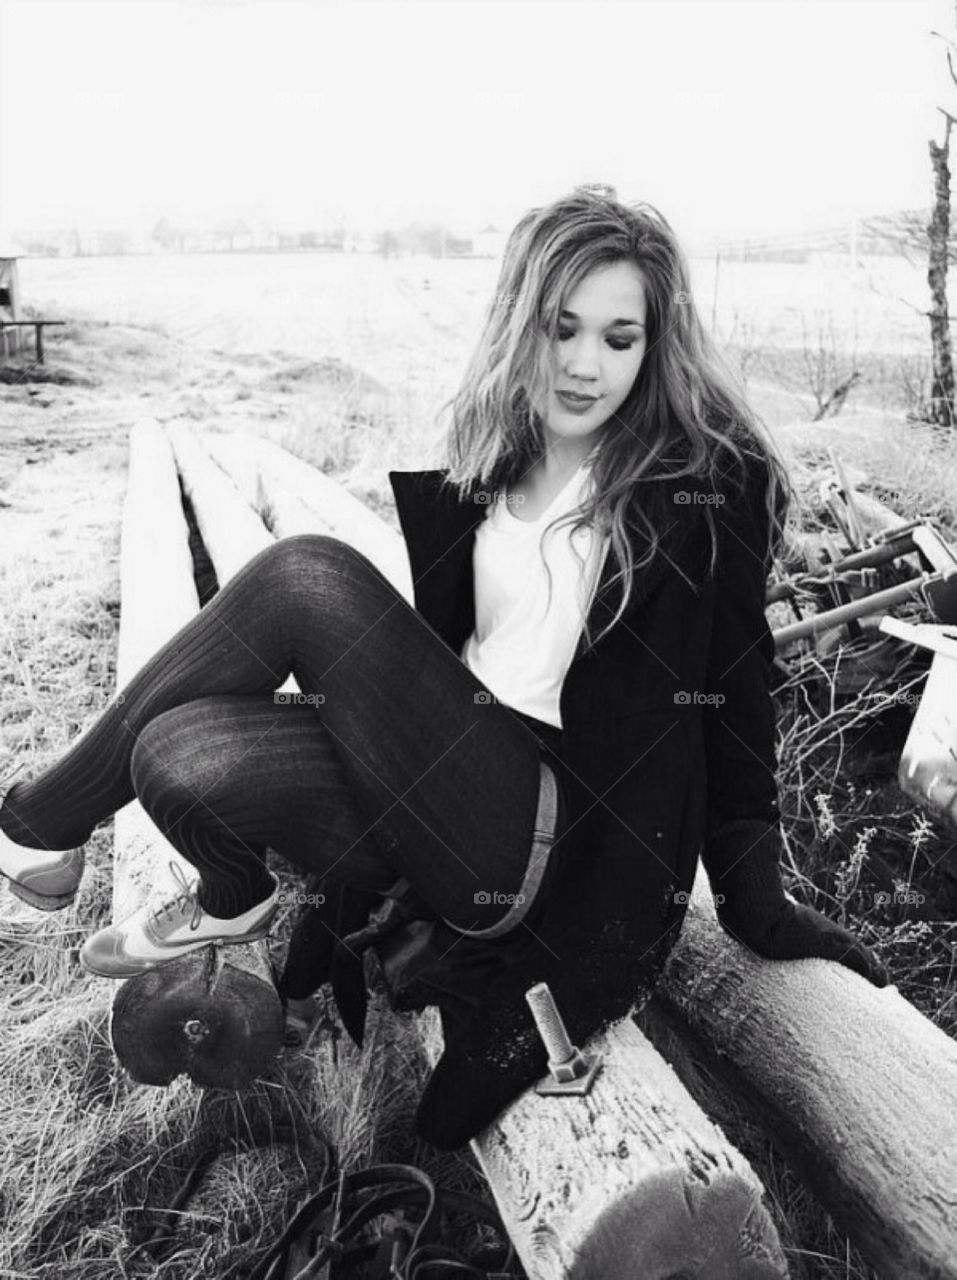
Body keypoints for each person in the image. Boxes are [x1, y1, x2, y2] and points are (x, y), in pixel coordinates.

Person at [0, 185, 887, 1150]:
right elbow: (460, 659)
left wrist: (758, 903)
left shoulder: (698, 487)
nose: (587, 364)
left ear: (653, 343)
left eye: (619, 338)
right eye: (563, 328)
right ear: (522, 320)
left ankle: (39, 825)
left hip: (544, 836)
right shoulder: (496, 460)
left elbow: (733, 695)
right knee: (175, 753)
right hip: (440, 795)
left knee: (307, 575)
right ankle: (231, 896)